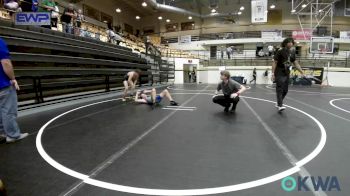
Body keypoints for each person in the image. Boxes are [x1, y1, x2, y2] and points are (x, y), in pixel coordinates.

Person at [0, 38, 28, 143]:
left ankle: (2, 133)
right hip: (2, 83)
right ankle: (13, 135)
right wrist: (12, 78)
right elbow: (6, 63)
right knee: (8, 111)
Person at [272, 38, 304, 112]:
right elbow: (274, 62)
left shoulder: (292, 53)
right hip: (279, 72)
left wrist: (301, 72)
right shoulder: (280, 51)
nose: (291, 43)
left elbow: (296, 63)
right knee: (279, 89)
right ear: (285, 43)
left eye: (292, 42)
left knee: (285, 91)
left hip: (287, 73)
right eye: (289, 42)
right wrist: (273, 73)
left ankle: (278, 103)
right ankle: (280, 105)